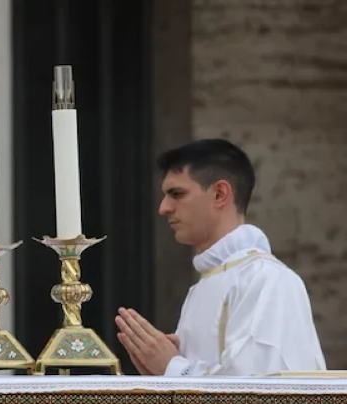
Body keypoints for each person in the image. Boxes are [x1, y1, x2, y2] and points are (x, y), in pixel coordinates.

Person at [115, 138, 325, 376]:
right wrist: (162, 372)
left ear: (219, 194)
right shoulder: (206, 284)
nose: (164, 208)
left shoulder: (266, 279)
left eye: (177, 194)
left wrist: (172, 367)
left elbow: (262, 389)